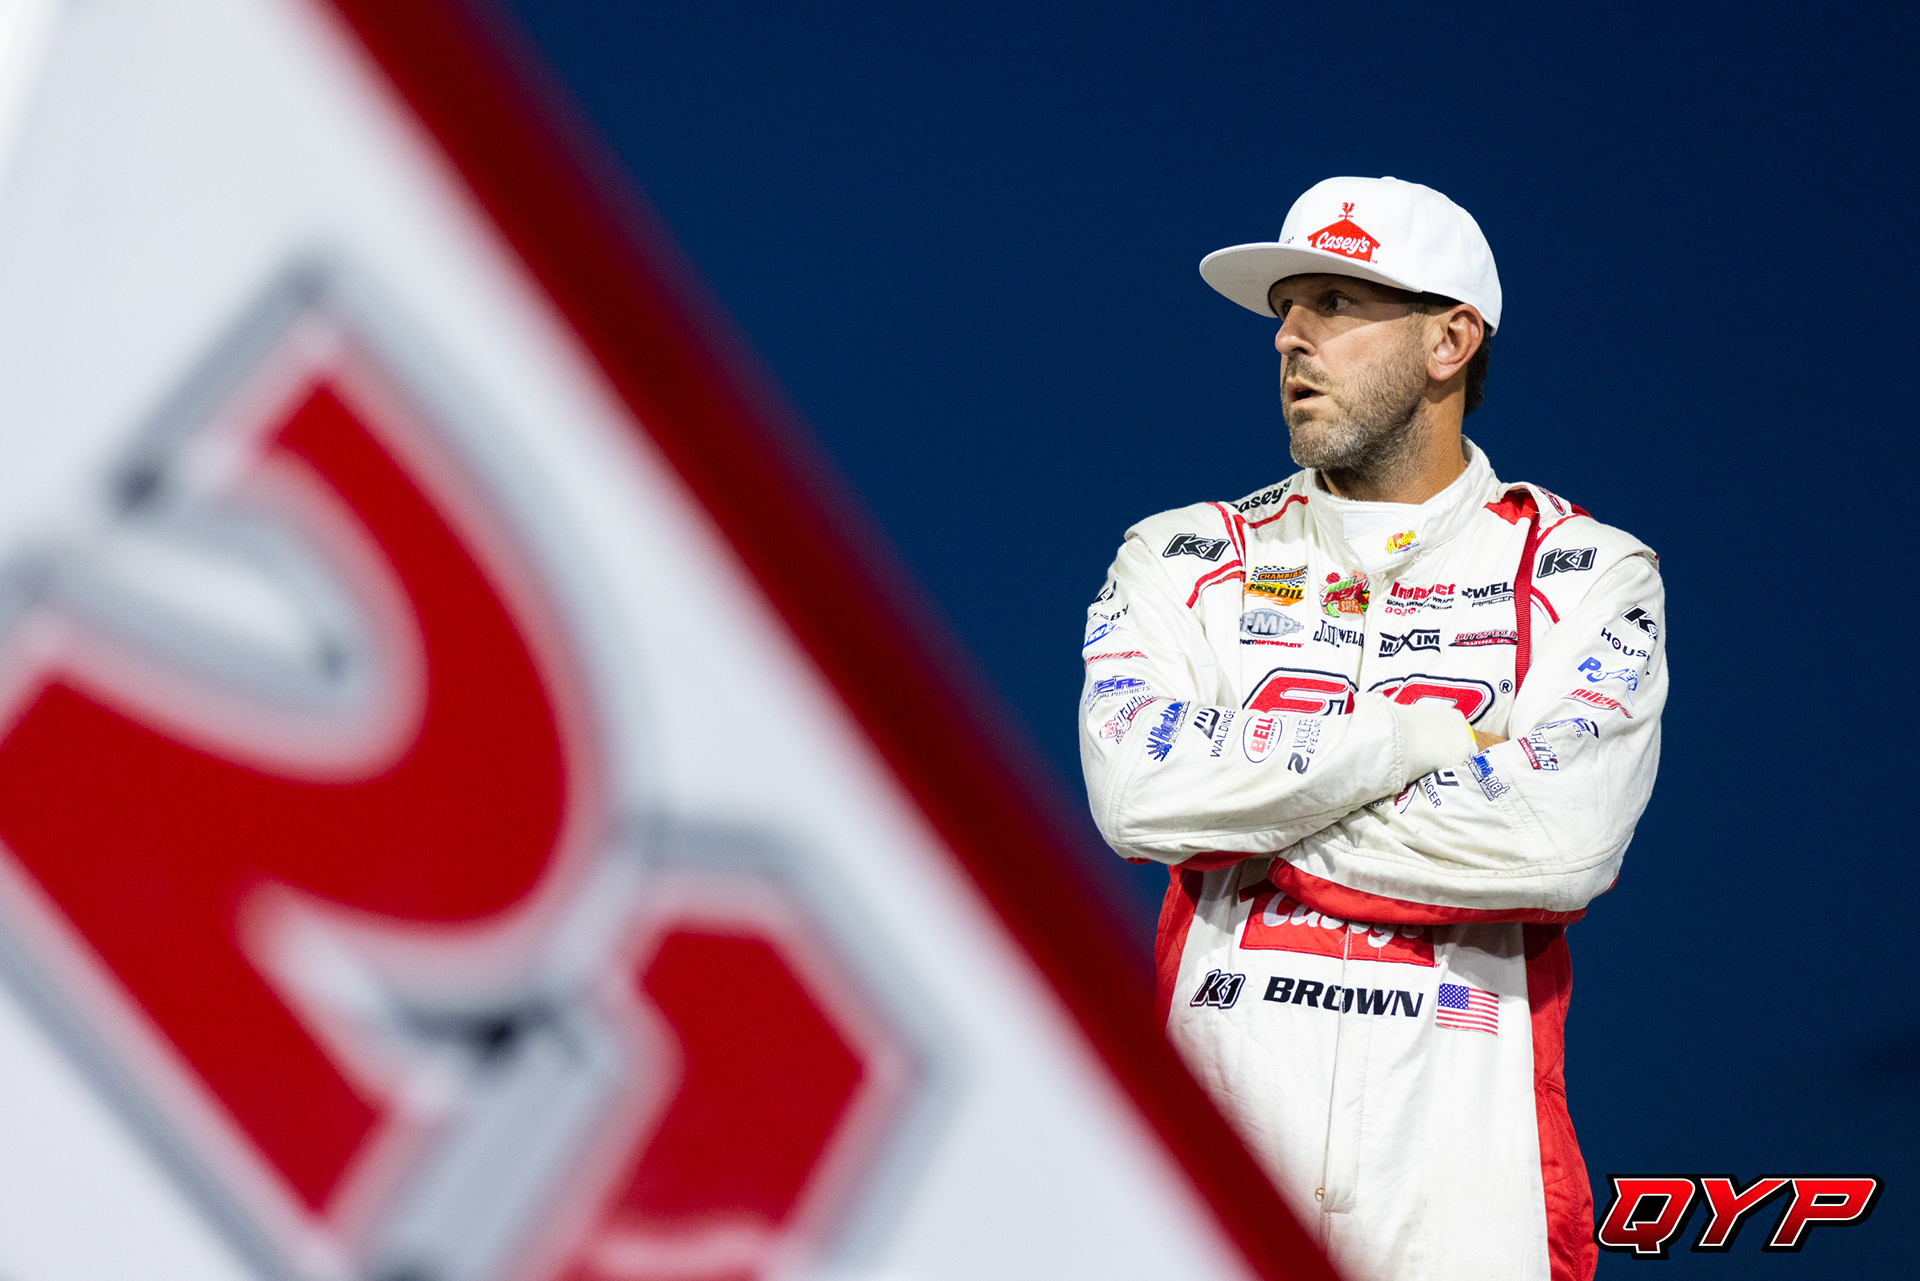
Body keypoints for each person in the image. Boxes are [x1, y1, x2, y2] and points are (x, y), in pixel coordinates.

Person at [1078, 176, 1664, 1281]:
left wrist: (1256, 820)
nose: (1291, 336)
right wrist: (1416, 742)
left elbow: (1559, 843)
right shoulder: (1181, 556)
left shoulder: (1587, 571)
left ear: (1451, 341)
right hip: (1200, 1196)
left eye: (1337, 304)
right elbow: (1138, 797)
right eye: (1287, 310)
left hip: (1466, 1211)